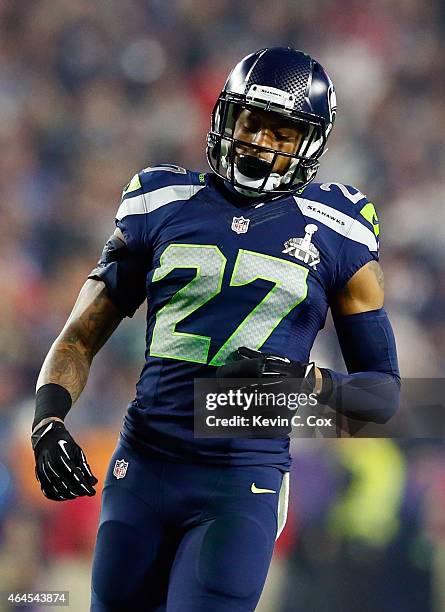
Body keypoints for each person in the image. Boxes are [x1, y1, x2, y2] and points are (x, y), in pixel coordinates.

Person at [31, 47, 401, 611]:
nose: (260, 143)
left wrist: (303, 388)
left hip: (239, 481)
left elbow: (380, 395)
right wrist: (48, 419)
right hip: (144, 464)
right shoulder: (160, 199)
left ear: (310, 144)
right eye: (253, 123)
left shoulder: (339, 228)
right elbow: (80, 335)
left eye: (282, 133)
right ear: (227, 117)